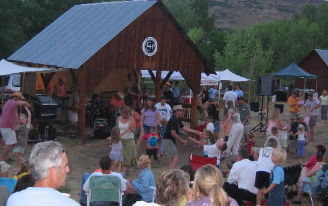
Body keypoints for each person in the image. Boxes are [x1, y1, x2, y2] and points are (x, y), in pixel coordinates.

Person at [7, 141, 80, 206]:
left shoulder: (14, 199)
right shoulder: (70, 204)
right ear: (52, 172)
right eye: (65, 166)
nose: (68, 170)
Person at [162, 105, 201, 169]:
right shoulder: (173, 120)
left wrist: (195, 132)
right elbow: (173, 133)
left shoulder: (176, 119)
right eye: (180, 111)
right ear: (176, 111)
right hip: (168, 139)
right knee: (175, 158)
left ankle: (169, 172)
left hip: (169, 140)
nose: (182, 112)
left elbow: (184, 127)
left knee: (172, 158)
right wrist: (181, 141)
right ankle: (170, 172)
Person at [1, 91, 30, 162]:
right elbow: (20, 103)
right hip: (7, 127)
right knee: (10, 144)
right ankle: (3, 158)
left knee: (12, 143)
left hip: (8, 127)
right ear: (15, 97)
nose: (20, 100)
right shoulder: (11, 102)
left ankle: (5, 157)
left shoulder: (12, 105)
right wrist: (26, 103)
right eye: (20, 98)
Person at [255, 137, 278, 206]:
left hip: (259, 170)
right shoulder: (275, 152)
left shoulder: (262, 150)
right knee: (270, 189)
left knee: (259, 190)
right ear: (275, 146)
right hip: (269, 171)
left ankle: (258, 204)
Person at [117, 106, 136, 173]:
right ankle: (122, 169)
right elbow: (117, 128)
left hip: (129, 139)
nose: (120, 114)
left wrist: (130, 128)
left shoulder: (131, 119)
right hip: (121, 139)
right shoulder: (118, 118)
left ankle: (127, 168)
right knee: (121, 155)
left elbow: (134, 130)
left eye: (122, 113)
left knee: (128, 155)